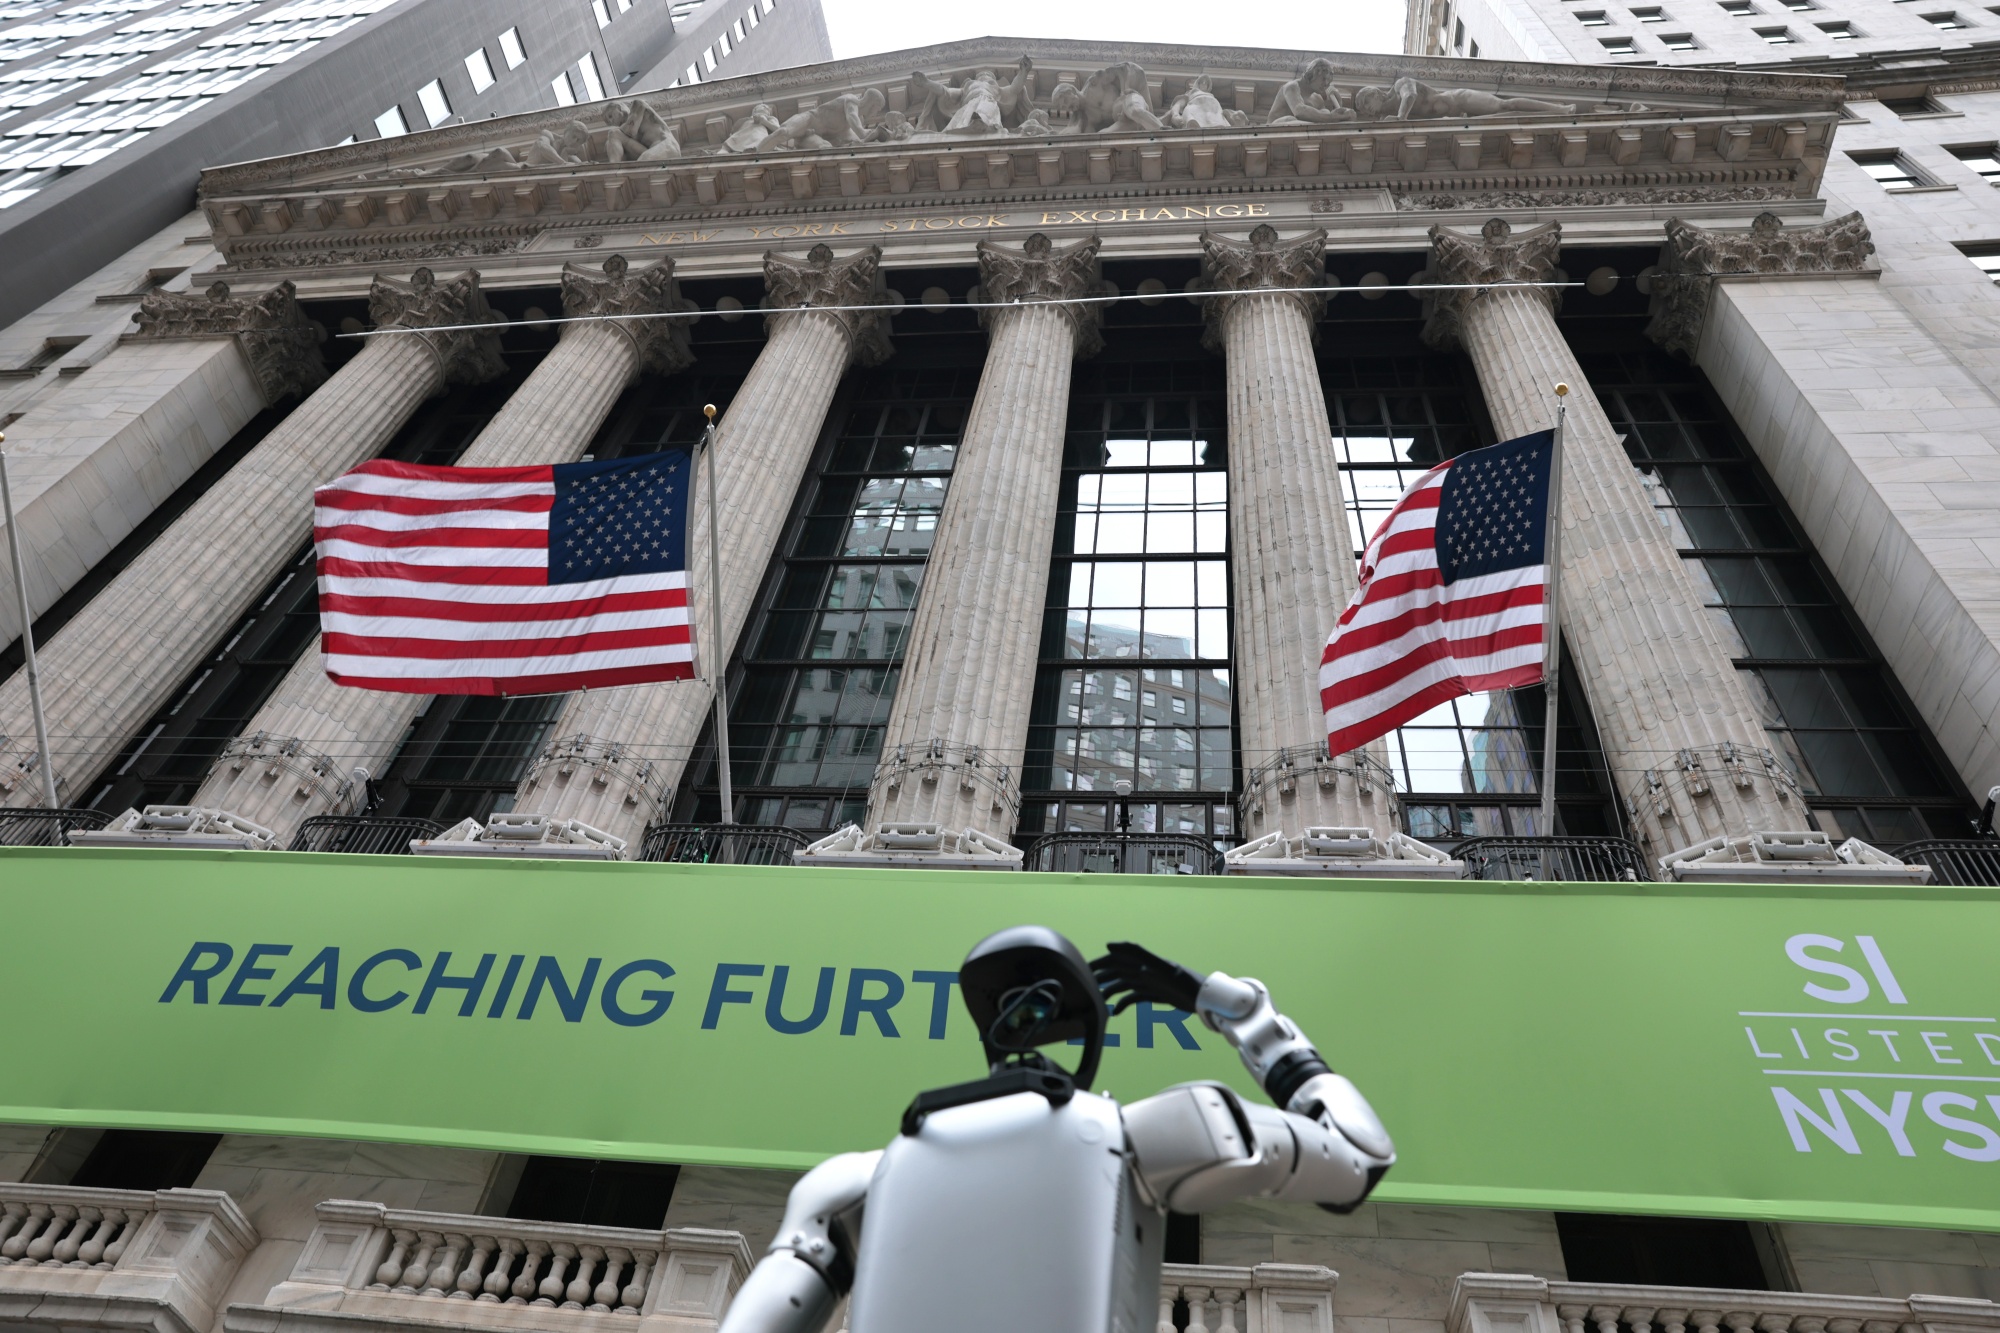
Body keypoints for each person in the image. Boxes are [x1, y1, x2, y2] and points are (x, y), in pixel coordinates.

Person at [909, 56, 1035, 135]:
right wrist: (926, 83)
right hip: (968, 105)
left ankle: (981, 123)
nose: (984, 77)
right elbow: (944, 91)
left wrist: (1024, 72)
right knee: (962, 121)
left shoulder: (996, 90)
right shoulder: (966, 90)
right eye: (981, 76)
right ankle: (969, 125)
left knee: (985, 110)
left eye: (989, 77)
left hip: (988, 102)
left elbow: (1015, 88)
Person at [1353, 76, 1576, 120]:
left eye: (1365, 104)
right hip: (1458, 118)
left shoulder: (1400, 84)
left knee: (1504, 105)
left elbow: (1410, 96)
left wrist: (1400, 119)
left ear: (1374, 94)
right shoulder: (1387, 117)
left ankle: (1560, 109)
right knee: (1507, 116)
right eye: (1363, 110)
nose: (1367, 110)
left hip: (1459, 100)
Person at [1270, 57, 1355, 124]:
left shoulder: (1318, 99)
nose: (1326, 84)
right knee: (1289, 119)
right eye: (1324, 79)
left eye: (1329, 81)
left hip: (1306, 133)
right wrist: (1335, 117)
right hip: (1276, 128)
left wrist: (1339, 108)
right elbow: (1299, 111)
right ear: (1313, 73)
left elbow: (1325, 117)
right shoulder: (1292, 86)